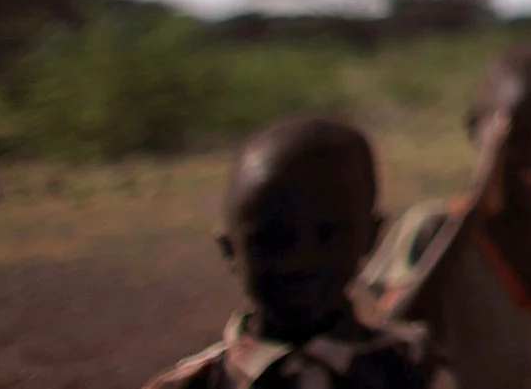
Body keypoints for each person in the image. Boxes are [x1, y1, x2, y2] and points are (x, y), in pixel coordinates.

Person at [360, 48, 531, 389]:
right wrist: (474, 207)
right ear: (476, 129)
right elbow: (397, 324)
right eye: (517, 136)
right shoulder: (432, 230)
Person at [143, 116, 435, 389]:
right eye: (270, 239)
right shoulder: (192, 385)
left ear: (370, 236)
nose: (298, 261)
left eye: (327, 234)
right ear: (230, 248)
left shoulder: (419, 369)